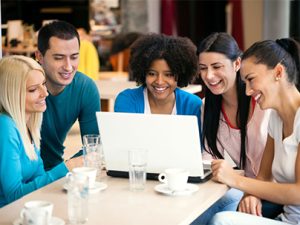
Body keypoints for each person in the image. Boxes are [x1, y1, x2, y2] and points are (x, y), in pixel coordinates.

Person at [208, 38, 300, 225]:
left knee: (221, 221)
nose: (248, 91)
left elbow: (298, 194)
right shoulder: (276, 117)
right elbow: (264, 176)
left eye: (251, 80)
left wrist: (235, 179)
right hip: (285, 218)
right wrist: (251, 195)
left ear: (278, 72)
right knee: (219, 206)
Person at [191, 32, 272, 224]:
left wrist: (254, 192)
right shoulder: (207, 106)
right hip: (244, 189)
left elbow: (278, 168)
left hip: (272, 193)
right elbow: (208, 158)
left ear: (237, 64)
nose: (209, 76)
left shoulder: (264, 103)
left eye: (217, 67)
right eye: (203, 68)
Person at [0, 55, 69, 207]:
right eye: (33, 89)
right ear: (12, 94)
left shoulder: (29, 125)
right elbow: (14, 196)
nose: (45, 93)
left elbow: (39, 178)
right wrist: (66, 169)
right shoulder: (4, 126)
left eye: (43, 84)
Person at [35, 20, 101, 170]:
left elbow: (93, 147)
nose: (68, 67)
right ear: (39, 56)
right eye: (58, 58)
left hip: (54, 171)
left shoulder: (85, 88)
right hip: (20, 177)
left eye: (74, 57)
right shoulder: (21, 85)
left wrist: (65, 168)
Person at [114, 33, 202, 129]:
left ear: (181, 74)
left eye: (168, 75)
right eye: (152, 74)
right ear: (143, 73)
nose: (159, 81)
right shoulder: (128, 100)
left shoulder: (193, 105)